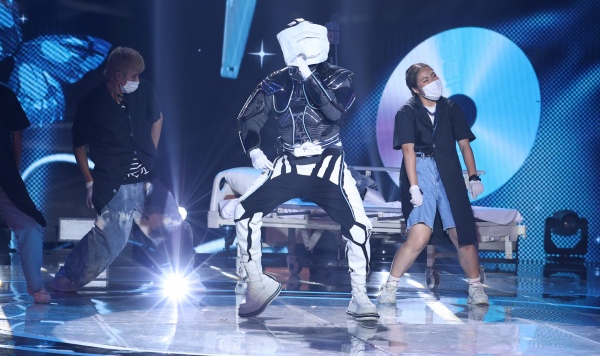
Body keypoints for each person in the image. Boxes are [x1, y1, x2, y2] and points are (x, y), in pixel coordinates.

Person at [233, 18, 378, 320]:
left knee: (358, 228)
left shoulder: (341, 77)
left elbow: (335, 113)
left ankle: (360, 297)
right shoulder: (275, 81)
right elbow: (248, 117)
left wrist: (308, 76)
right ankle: (257, 285)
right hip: (288, 163)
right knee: (243, 212)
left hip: (328, 163)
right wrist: (254, 150)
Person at [50, 47, 197, 292]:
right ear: (118, 76)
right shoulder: (92, 102)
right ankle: (69, 276)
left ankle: (188, 275)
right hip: (114, 182)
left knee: (174, 225)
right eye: (134, 76)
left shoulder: (144, 90)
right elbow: (78, 145)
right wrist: (89, 182)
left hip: (149, 179)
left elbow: (157, 117)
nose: (138, 80)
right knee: (111, 237)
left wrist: (150, 152)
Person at [377, 63, 489, 306]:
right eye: (425, 79)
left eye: (433, 75)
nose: (432, 81)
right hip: (420, 170)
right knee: (419, 236)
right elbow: (408, 150)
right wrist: (414, 187)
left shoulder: (451, 107)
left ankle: (476, 288)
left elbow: (464, 144)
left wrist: (473, 177)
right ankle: (390, 286)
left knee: (462, 235)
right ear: (415, 89)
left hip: (448, 170)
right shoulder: (406, 112)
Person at [0, 83, 51, 304]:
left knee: (30, 226)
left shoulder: (4, 93)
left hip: (4, 175)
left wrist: (13, 170)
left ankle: (36, 287)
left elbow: (17, 133)